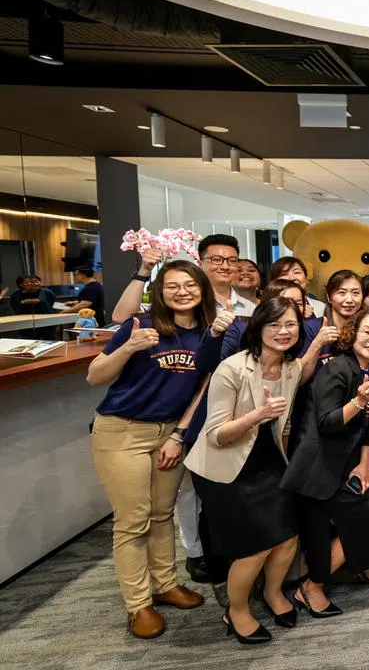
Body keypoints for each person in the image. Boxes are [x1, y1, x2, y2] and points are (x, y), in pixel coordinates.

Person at [85, 260, 215, 639]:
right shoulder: (139, 325)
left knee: (161, 514)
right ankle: (138, 604)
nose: (182, 292)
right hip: (122, 431)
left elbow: (202, 390)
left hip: (170, 432)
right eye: (172, 285)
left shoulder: (209, 334)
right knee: (133, 520)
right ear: (159, 291)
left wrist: (179, 435)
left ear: (202, 289)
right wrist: (129, 347)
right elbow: (95, 376)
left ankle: (165, 584)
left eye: (190, 284)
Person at [183, 297, 304, 644]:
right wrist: (256, 416)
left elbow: (283, 425)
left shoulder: (292, 367)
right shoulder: (232, 368)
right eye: (274, 324)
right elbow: (216, 434)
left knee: (288, 536)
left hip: (267, 459)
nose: (283, 331)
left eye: (291, 324)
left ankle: (272, 592)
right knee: (256, 545)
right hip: (224, 465)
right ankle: (236, 610)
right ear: (258, 328)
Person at [280, 310, 369, 618]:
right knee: (330, 527)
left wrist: (364, 464)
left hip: (347, 463)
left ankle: (365, 566)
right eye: (367, 332)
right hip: (318, 467)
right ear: (352, 334)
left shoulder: (368, 371)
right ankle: (311, 587)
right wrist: (358, 402)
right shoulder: (336, 368)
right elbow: (327, 423)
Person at [111, 235, 255, 325]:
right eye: (216, 260)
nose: (225, 266)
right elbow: (122, 318)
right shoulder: (184, 299)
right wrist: (144, 271)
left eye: (232, 261)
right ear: (200, 262)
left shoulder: (250, 308)